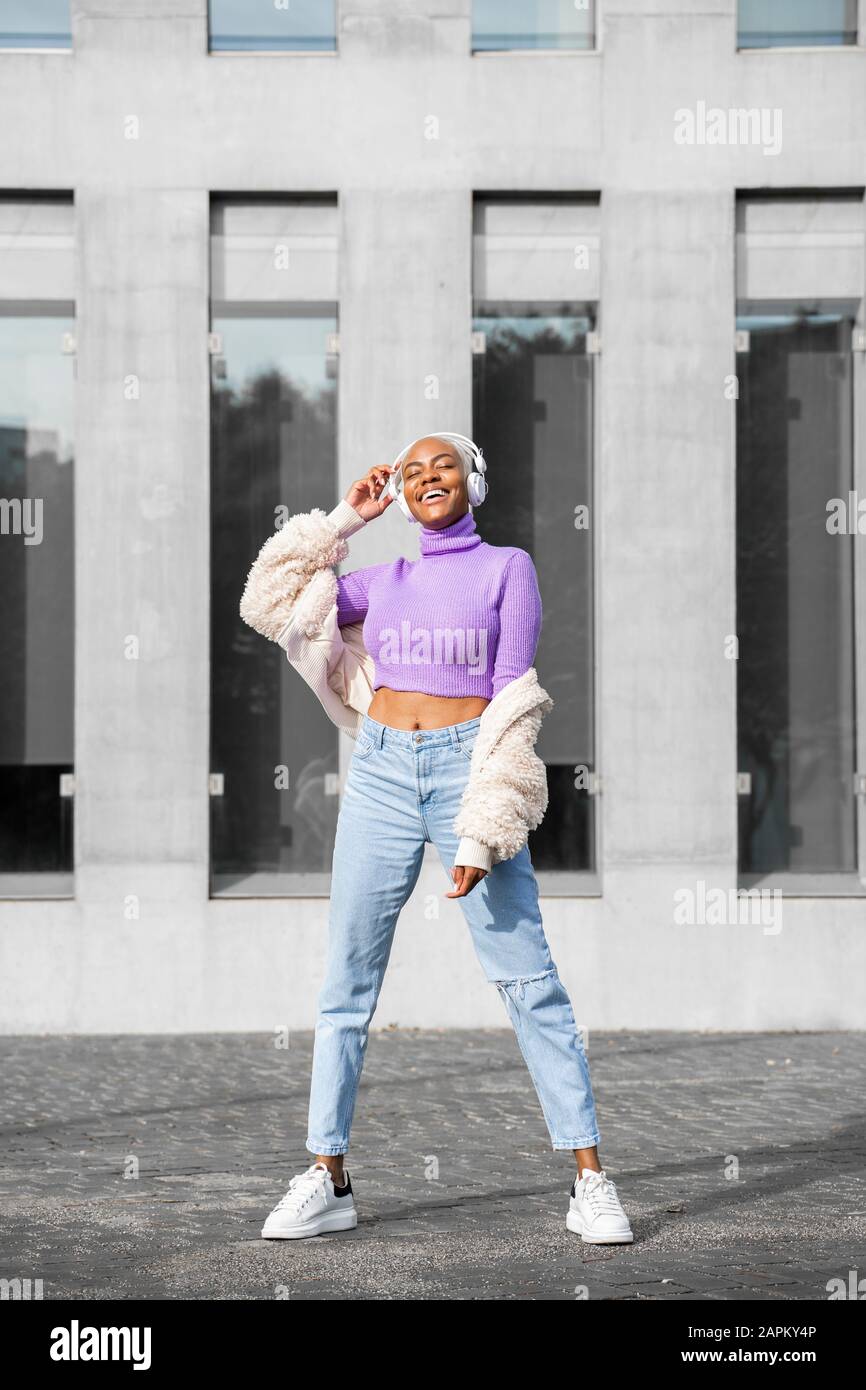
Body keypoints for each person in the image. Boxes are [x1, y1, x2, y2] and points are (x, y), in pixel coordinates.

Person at [240, 433, 633, 1244]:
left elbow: (514, 701)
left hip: (469, 772)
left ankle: (590, 1181)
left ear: (473, 481)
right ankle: (329, 1175)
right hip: (380, 771)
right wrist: (347, 518)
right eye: (412, 470)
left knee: (530, 981)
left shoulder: (506, 569)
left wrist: (482, 832)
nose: (425, 477)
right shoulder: (385, 579)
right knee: (346, 985)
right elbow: (269, 601)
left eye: (441, 465)